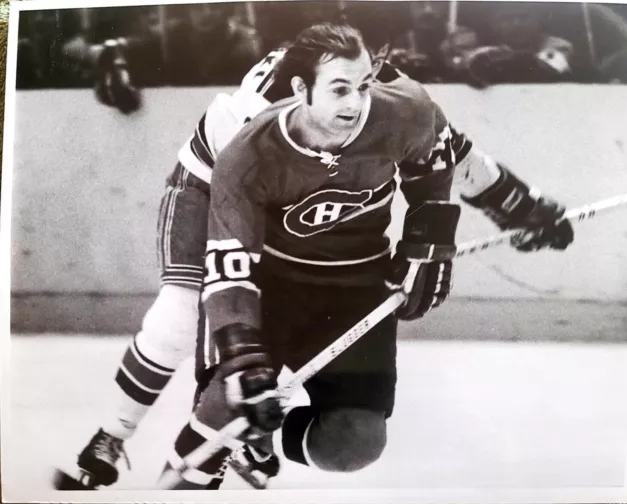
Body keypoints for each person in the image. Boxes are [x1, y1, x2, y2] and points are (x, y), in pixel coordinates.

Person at [58, 24, 573, 491]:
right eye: (342, 89)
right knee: (180, 311)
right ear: (302, 91)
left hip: (300, 232)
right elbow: (232, 262)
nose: (357, 106)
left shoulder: (389, 100)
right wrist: (243, 358)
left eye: (369, 79)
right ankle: (111, 435)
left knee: (270, 402)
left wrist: (521, 208)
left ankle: (252, 437)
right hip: (209, 185)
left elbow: (450, 154)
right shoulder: (253, 130)